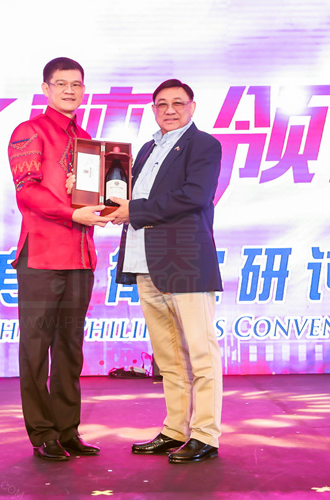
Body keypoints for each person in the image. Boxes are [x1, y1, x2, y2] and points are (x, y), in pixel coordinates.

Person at [110, 79, 223, 464]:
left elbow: (194, 195)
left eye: (178, 103)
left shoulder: (203, 145)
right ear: (153, 109)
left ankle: (205, 435)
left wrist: (134, 210)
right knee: (169, 358)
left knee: (201, 354)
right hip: (145, 263)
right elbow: (127, 197)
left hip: (186, 263)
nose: (170, 110)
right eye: (162, 104)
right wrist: (97, 196)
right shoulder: (145, 149)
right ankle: (175, 429)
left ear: (192, 107)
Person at [7, 57, 111, 462]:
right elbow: (27, 191)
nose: (70, 90)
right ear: (46, 89)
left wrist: (104, 204)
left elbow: (91, 197)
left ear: (84, 90)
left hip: (80, 256)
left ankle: (68, 430)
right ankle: (42, 432)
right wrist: (72, 212)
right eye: (61, 83)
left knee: (70, 347)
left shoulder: (87, 139)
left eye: (77, 84)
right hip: (42, 254)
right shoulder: (29, 131)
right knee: (36, 348)